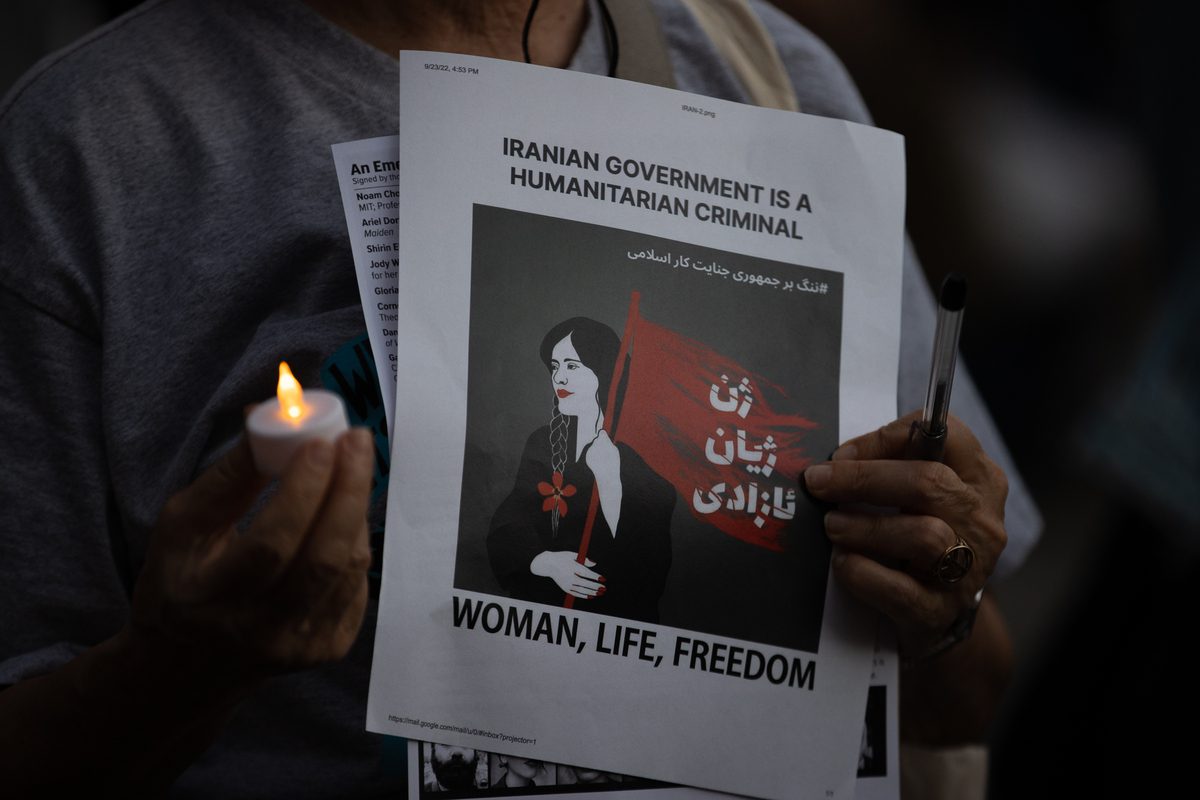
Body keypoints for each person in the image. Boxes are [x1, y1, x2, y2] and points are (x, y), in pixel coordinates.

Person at [0, 0, 1041, 796]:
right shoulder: (90, 154)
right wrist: (182, 666)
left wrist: (940, 595)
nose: (561, 385)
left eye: (577, 369)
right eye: (555, 372)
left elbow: (963, 697)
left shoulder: (761, 73)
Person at [486, 317, 675, 623]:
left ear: (602, 371)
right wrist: (544, 562)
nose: (558, 377)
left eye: (572, 366)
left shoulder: (638, 457)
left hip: (610, 623)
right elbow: (511, 520)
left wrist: (609, 477)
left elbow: (649, 564)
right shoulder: (543, 442)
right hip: (540, 618)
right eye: (555, 366)